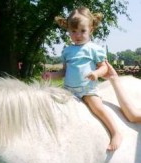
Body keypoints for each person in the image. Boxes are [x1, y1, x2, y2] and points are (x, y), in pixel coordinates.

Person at [42, 7, 122, 151]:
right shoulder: (67, 51)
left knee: (98, 108)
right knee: (53, 105)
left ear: (91, 29)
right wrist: (52, 76)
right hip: (69, 90)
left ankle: (115, 132)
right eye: (73, 31)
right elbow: (64, 71)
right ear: (68, 31)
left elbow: (104, 68)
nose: (78, 35)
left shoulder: (94, 49)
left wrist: (96, 73)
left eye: (82, 31)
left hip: (87, 90)